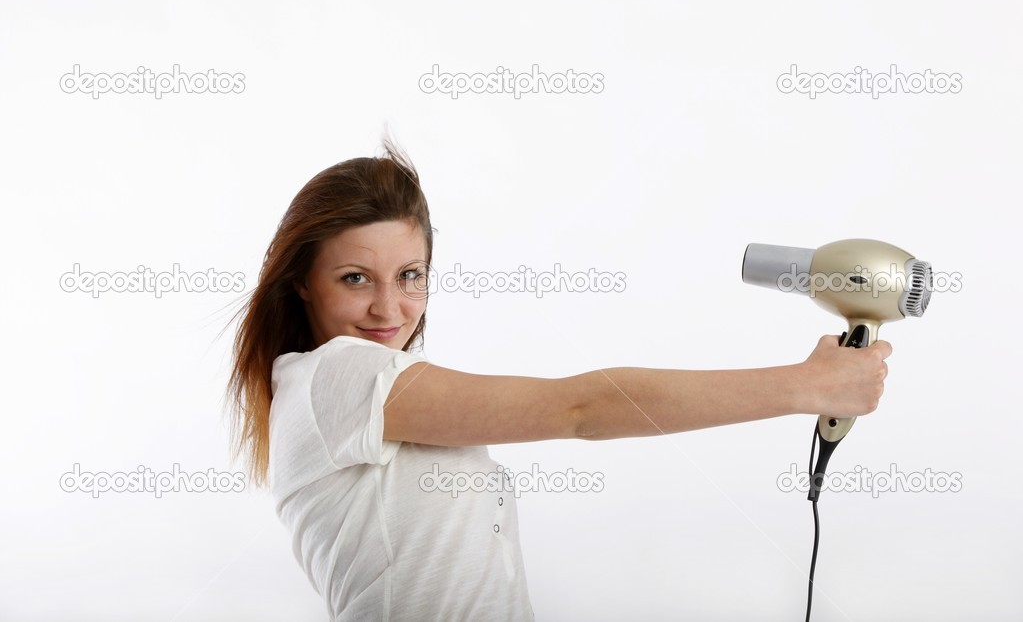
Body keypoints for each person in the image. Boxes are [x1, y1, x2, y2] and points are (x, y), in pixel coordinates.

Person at [226, 138, 892, 621]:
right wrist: (807, 386)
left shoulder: (373, 391)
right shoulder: (335, 377)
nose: (388, 308)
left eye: (409, 276)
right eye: (353, 279)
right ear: (300, 286)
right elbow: (581, 408)